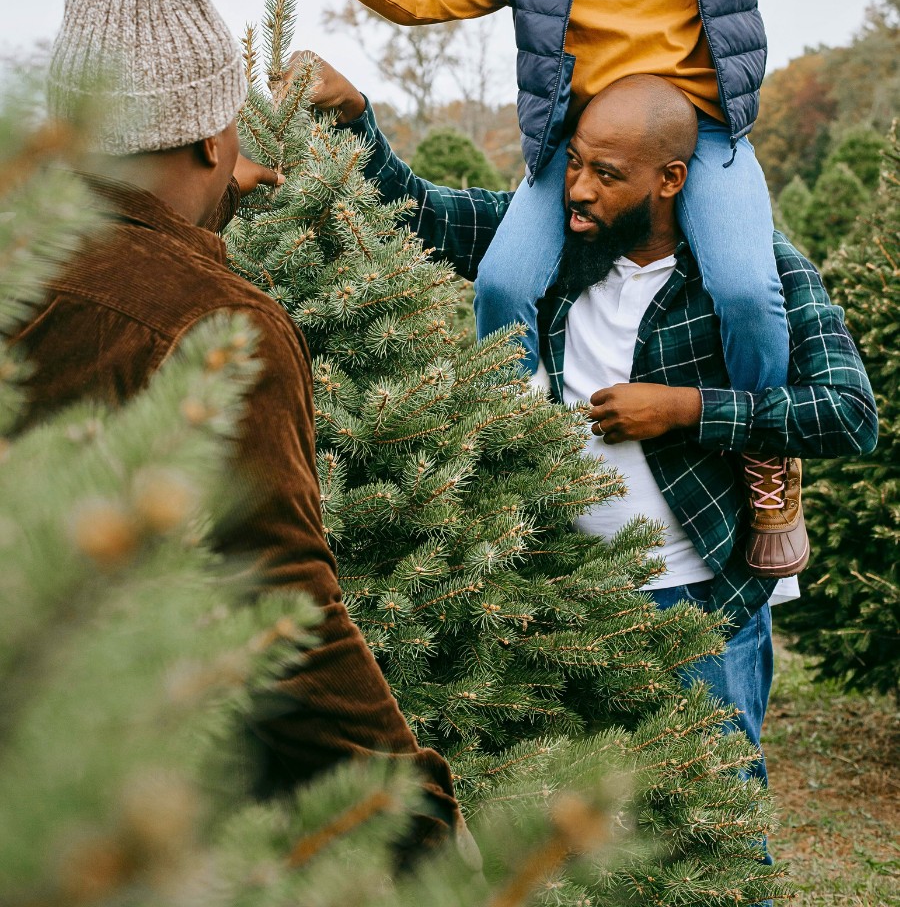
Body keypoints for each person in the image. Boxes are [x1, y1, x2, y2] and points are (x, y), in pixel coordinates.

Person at [264, 0, 808, 578]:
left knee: (746, 287)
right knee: (504, 283)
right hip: (579, 144)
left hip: (697, 138)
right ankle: (527, 453)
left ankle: (768, 457)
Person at [296, 55, 878, 811]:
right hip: (562, 593)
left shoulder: (756, 271)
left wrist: (683, 409)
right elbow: (419, 210)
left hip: (698, 601)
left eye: (607, 174)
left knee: (714, 815)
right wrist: (356, 117)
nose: (578, 189)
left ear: (669, 179)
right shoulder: (557, 248)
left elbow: (847, 411)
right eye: (574, 165)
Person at [13, 0, 460, 852]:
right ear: (214, 137)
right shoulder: (217, 327)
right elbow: (278, 610)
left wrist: (203, 206)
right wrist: (414, 820)